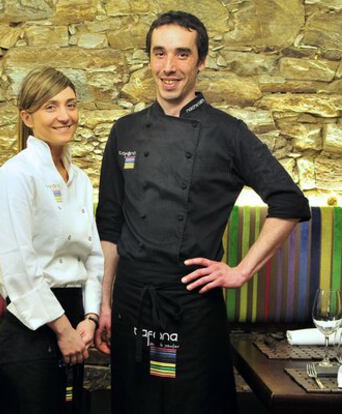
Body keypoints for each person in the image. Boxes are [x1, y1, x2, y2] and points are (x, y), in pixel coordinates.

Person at [95, 10, 310, 414]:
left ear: (201, 61)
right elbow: (110, 223)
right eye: (159, 54)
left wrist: (240, 271)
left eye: (181, 54)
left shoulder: (227, 132)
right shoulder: (124, 130)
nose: (169, 67)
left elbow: (289, 202)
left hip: (191, 304)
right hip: (131, 301)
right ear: (149, 60)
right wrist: (104, 302)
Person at [0, 67, 103, 414]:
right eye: (51, 107)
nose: (65, 116)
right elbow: (19, 268)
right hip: (32, 323)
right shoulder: (15, 175)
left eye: (71, 105)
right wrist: (64, 329)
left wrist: (91, 318)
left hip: (75, 318)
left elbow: (93, 256)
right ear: (27, 116)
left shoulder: (79, 178)